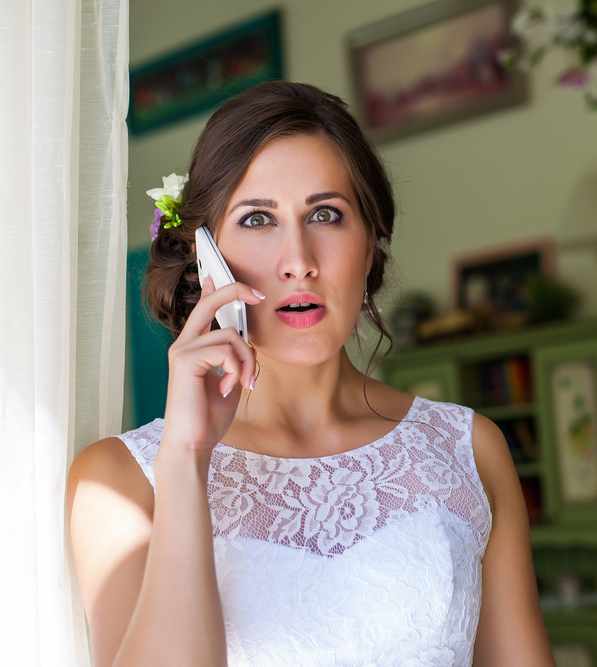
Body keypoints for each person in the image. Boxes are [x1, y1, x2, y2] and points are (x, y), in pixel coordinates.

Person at [67, 81, 555, 667]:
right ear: (206, 255)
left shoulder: (468, 451)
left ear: (371, 242)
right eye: (256, 219)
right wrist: (185, 460)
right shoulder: (117, 482)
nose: (298, 260)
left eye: (325, 214)